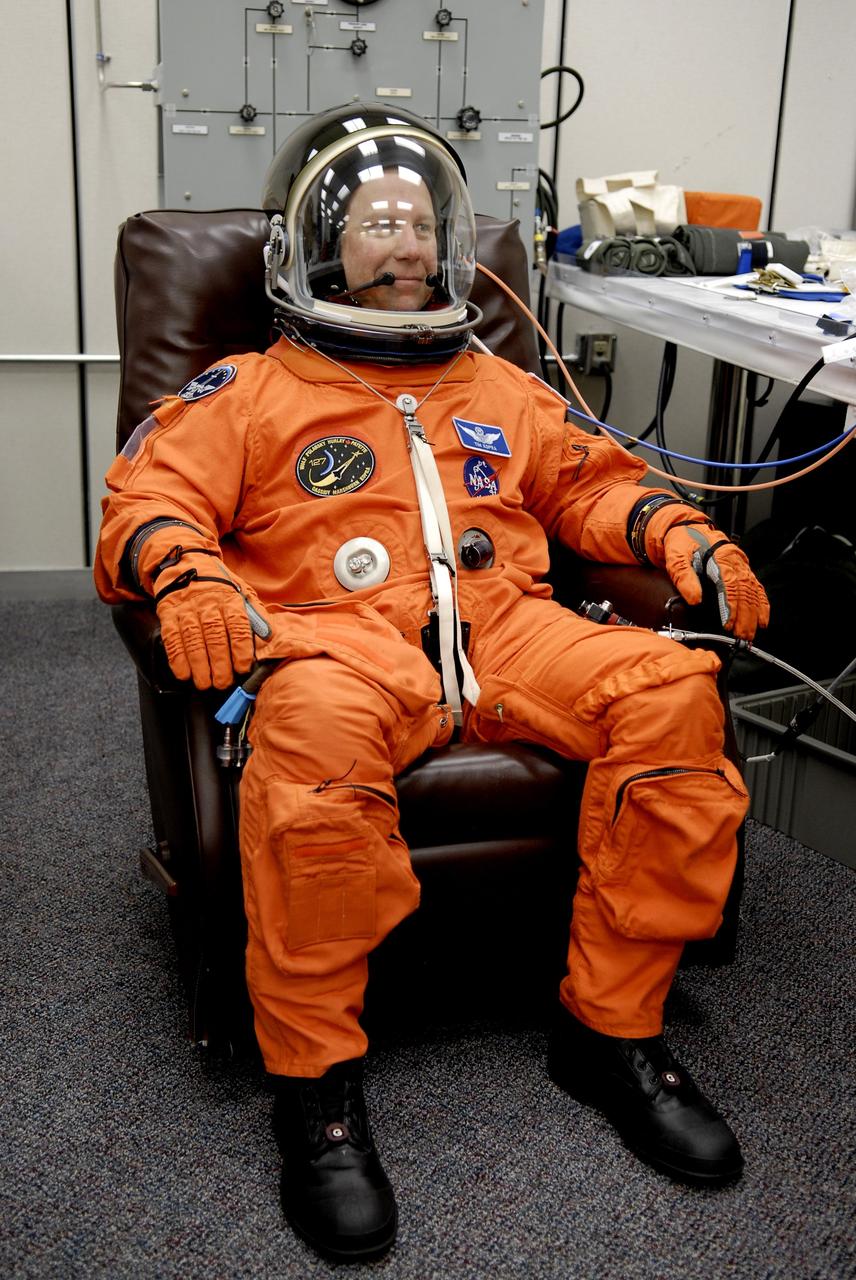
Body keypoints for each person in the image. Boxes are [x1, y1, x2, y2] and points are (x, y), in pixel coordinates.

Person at [94, 102, 769, 1264]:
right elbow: (146, 504)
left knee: (670, 691)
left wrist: (674, 532)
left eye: (421, 224)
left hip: (510, 626)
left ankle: (611, 1027)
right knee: (306, 736)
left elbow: (587, 484)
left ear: (454, 245)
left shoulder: (500, 386)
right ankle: (317, 1084)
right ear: (313, 246)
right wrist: (187, 578)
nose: (403, 244)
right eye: (374, 224)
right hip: (336, 644)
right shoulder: (248, 391)